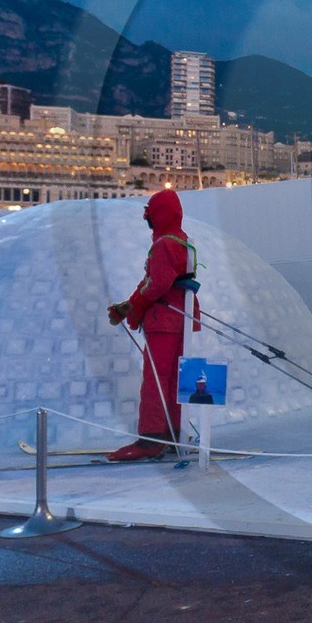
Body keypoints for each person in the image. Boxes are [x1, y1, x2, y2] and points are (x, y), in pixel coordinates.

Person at [105, 189, 194, 461]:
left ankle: (152, 438)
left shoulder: (164, 244)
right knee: (176, 378)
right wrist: (130, 304)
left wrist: (133, 307)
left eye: (150, 217)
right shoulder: (184, 241)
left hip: (163, 320)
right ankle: (174, 431)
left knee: (156, 379)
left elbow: (156, 284)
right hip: (182, 317)